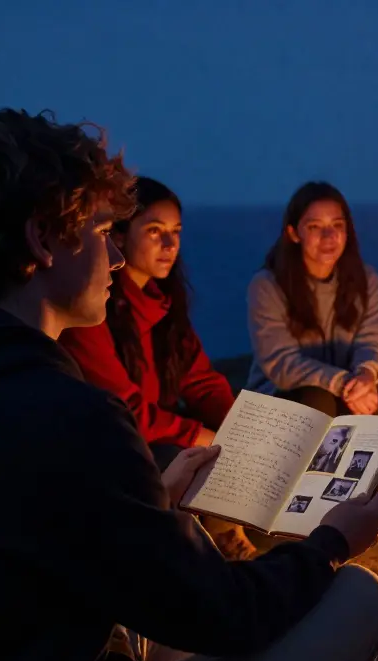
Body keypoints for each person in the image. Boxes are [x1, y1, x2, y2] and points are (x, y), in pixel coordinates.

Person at [0, 109, 378, 661]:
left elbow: (23, 543)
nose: (116, 255)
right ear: (42, 239)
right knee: (359, 596)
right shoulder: (64, 413)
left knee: (176, 537)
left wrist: (149, 503)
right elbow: (224, 615)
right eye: (102, 231)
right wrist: (330, 542)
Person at [59, 176, 256, 559]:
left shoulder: (162, 303)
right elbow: (123, 408)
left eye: (176, 232)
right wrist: (201, 435)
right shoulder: (93, 310)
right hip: (110, 447)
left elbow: (199, 379)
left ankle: (227, 539)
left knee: (210, 446)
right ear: (117, 235)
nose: (170, 245)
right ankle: (201, 554)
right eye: (154, 231)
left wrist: (243, 426)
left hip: (152, 436)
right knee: (182, 455)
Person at [246, 181, 378, 528]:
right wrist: (343, 382)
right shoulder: (268, 285)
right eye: (315, 227)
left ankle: (372, 487)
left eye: (337, 226)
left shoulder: (365, 280)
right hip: (284, 401)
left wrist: (366, 375)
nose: (328, 237)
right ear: (293, 233)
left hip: (345, 393)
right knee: (316, 401)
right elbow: (281, 363)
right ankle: (309, 500)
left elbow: (376, 341)